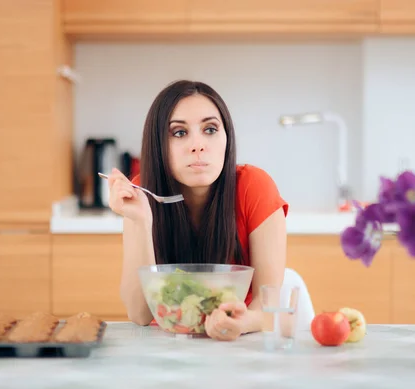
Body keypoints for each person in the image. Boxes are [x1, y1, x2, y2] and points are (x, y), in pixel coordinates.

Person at [106, 80, 288, 341]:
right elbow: (140, 314)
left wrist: (241, 322)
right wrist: (141, 221)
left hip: (238, 346)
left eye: (210, 129)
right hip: (168, 353)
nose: (198, 145)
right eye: (179, 133)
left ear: (227, 138)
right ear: (159, 146)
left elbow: (268, 307)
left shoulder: (255, 187)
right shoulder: (140, 193)